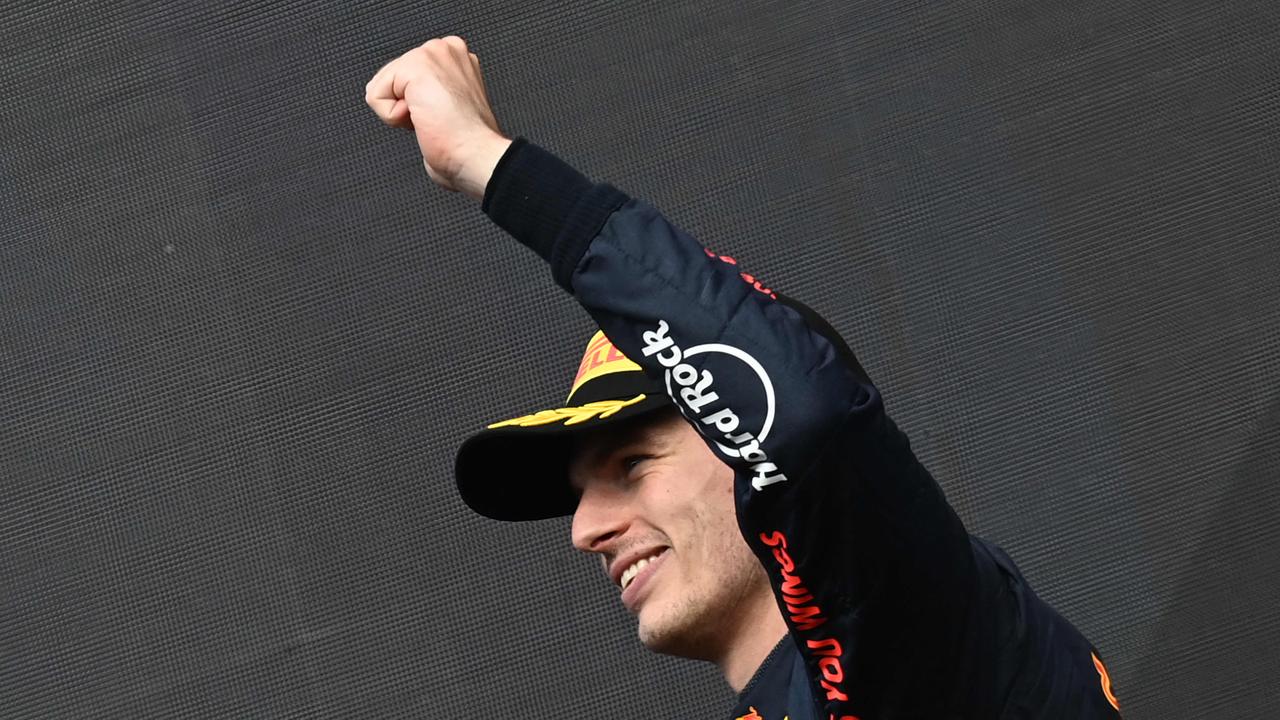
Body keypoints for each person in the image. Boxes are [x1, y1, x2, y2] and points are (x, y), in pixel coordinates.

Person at [364, 36, 1124, 719]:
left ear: (746, 457)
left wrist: (492, 165)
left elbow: (803, 419)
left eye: (632, 466)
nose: (585, 530)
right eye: (582, 492)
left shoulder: (923, 632)